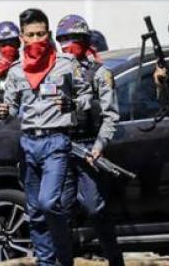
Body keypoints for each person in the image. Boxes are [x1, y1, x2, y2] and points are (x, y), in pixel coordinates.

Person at [0, 8, 92, 266]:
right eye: (31, 35)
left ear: (48, 34)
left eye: (41, 34)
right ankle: (47, 262)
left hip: (56, 142)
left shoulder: (66, 65)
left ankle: (64, 256)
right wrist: (3, 111)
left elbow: (86, 96)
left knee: (49, 203)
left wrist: (73, 104)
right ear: (22, 37)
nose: (36, 39)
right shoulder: (16, 71)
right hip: (28, 143)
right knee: (36, 212)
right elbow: (11, 108)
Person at [55, 14, 122, 266]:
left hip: (88, 147)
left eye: (71, 39)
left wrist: (99, 146)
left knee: (96, 208)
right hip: (61, 146)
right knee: (60, 209)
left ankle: (115, 259)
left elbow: (111, 115)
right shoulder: (54, 71)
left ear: (83, 40)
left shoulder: (100, 73)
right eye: (62, 39)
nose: (66, 45)